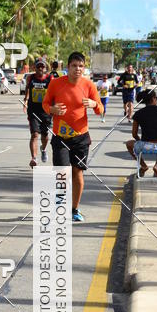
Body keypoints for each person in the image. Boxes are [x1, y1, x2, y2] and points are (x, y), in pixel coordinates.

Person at [42, 51, 104, 223]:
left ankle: (74, 209)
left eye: (81, 66)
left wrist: (93, 104)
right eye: (74, 66)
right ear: (67, 67)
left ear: (84, 68)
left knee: (77, 173)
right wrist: (52, 110)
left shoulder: (89, 85)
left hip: (81, 136)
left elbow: (100, 109)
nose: (77, 69)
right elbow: (45, 104)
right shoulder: (55, 84)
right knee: (61, 172)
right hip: (61, 137)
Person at [126, 89, 157, 178]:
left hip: (144, 146)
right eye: (156, 98)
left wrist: (140, 141)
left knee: (129, 144)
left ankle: (143, 165)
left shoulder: (138, 113)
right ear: (154, 98)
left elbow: (134, 134)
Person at [22, 58, 52, 167]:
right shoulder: (30, 78)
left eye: (42, 66)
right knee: (34, 134)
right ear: (35, 67)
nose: (40, 68)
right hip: (33, 111)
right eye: (38, 66)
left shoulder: (49, 78)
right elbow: (27, 89)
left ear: (45, 68)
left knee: (45, 136)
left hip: (46, 111)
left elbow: (54, 93)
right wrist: (25, 101)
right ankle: (34, 158)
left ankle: (43, 149)